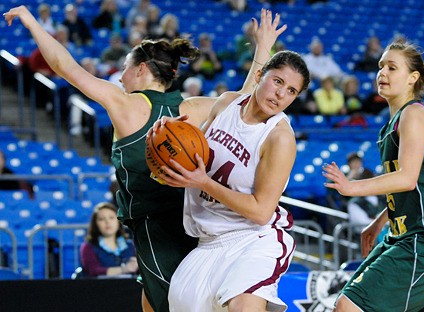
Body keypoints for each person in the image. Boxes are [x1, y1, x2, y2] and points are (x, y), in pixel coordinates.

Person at [4, 6, 286, 311]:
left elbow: (65, 66)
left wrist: (32, 23)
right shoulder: (191, 107)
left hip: (155, 227)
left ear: (140, 69)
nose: (121, 77)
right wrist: (262, 47)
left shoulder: (125, 104)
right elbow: (244, 97)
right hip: (195, 222)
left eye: (125, 68)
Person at [153, 50, 310, 311]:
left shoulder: (279, 138)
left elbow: (261, 211)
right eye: (278, 81)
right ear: (259, 75)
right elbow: (191, 158)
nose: (281, 94)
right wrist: (169, 136)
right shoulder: (226, 103)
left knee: (243, 306)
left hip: (254, 238)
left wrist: (204, 183)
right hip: (208, 243)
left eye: (292, 91)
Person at [323, 37, 424, 312]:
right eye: (380, 66)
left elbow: (407, 178)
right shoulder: (391, 125)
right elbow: (408, 185)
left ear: (413, 78)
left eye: (392, 68)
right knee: (347, 303)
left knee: (349, 306)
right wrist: (379, 221)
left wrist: (352, 187)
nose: (382, 73)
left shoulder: (414, 115)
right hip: (401, 234)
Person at [80, 202, 138, 277]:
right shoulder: (88, 247)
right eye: (101, 219)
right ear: (95, 224)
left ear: (119, 221)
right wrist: (124, 269)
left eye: (111, 217)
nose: (107, 222)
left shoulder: (130, 245)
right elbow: (94, 270)